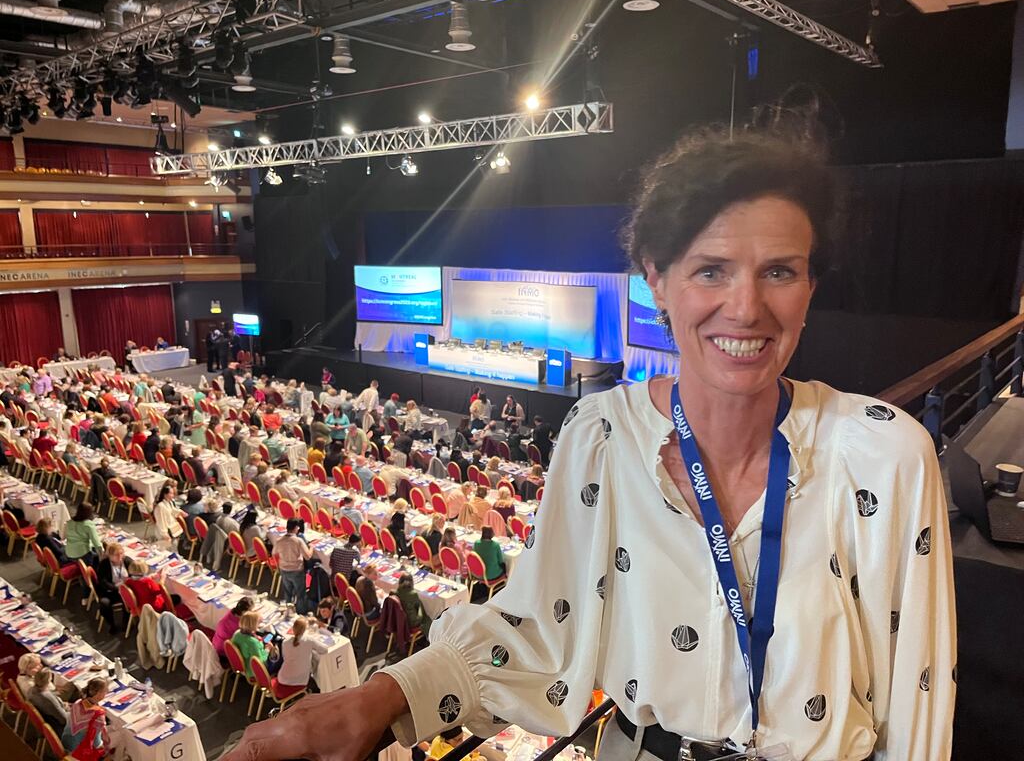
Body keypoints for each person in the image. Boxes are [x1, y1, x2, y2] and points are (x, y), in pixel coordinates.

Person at [222, 131, 956, 761]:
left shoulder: (884, 457)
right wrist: (382, 696)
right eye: (711, 270)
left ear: (810, 287)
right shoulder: (601, 437)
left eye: (779, 272)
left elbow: (918, 708)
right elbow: (542, 630)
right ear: (656, 283)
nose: (747, 307)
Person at [62, 678, 110, 758]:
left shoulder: (77, 703)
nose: (107, 692)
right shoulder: (98, 716)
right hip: (78, 752)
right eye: (105, 691)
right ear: (98, 693)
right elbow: (96, 743)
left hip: (65, 741)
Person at [273, 518, 312, 607]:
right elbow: (308, 556)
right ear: (296, 528)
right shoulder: (298, 541)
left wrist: (280, 563)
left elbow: (274, 553)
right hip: (296, 570)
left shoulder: (279, 540)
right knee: (300, 593)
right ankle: (300, 612)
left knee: (287, 592)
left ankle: (288, 610)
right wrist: (311, 548)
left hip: (284, 569)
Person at [231, 611, 279, 679]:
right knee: (277, 649)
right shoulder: (253, 643)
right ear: (253, 625)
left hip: (245, 662)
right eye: (258, 623)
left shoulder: (237, 633)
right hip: (253, 670)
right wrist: (268, 649)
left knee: (269, 637)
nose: (259, 625)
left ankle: (271, 636)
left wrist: (259, 641)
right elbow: (261, 662)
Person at [95, 542, 129, 633]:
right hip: (109, 591)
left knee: (129, 600)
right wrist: (116, 588)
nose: (119, 557)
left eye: (121, 553)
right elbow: (103, 582)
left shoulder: (127, 561)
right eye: (116, 555)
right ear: (109, 555)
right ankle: (112, 624)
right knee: (104, 604)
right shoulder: (104, 564)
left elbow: (134, 574)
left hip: (125, 590)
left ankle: (126, 623)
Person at [277, 617, 315, 687]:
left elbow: (285, 657)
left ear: (293, 629)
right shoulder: (309, 641)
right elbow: (324, 650)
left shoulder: (285, 642)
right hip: (300, 681)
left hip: (283, 678)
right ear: (304, 630)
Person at [213, 597, 254, 662]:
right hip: (225, 653)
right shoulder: (239, 626)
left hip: (217, 645)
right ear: (244, 612)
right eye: (251, 611)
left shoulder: (232, 613)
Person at [395, 572, 431, 636]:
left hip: (398, 619)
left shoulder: (394, 592)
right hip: (411, 622)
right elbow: (418, 608)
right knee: (425, 615)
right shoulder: (413, 594)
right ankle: (430, 634)